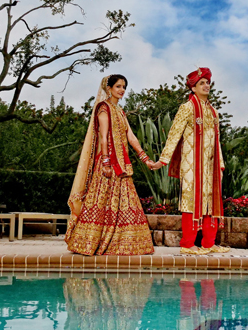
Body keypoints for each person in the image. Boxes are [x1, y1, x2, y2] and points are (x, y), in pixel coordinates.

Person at [65, 74, 155, 256]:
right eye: (118, 86)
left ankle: (126, 243)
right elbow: (104, 136)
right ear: (109, 88)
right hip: (108, 164)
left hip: (122, 164)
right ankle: (91, 241)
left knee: (127, 203)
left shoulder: (120, 111)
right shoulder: (103, 108)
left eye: (124, 87)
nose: (122, 90)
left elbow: (130, 136)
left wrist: (145, 159)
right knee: (102, 202)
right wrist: (106, 162)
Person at [152, 68, 230, 255]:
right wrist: (163, 160)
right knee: (190, 201)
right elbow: (174, 135)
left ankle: (208, 243)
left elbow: (216, 139)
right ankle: (188, 244)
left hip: (211, 165)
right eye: (201, 83)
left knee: (211, 201)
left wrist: (220, 162)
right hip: (192, 165)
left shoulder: (213, 112)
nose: (206, 85)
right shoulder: (186, 108)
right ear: (193, 88)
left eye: (207, 82)